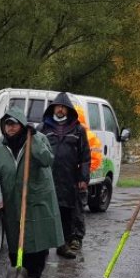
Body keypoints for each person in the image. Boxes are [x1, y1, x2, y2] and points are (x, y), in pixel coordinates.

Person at [0, 107, 62, 278]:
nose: (10, 128)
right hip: (13, 197)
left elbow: (47, 160)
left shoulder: (38, 139)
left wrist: (35, 139)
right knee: (15, 235)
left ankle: (35, 273)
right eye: (7, 124)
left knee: (37, 236)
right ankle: (18, 268)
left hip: (36, 196)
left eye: (14, 124)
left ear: (22, 125)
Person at [39, 94, 90, 259]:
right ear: (53, 108)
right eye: (57, 106)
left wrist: (83, 178)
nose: (60, 109)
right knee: (46, 211)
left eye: (63, 107)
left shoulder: (78, 129)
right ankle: (43, 246)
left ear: (68, 110)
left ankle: (64, 245)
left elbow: (85, 157)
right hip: (47, 177)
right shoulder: (43, 129)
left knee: (67, 212)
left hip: (69, 178)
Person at [72, 106, 102, 251]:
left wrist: (82, 173)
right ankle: (71, 238)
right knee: (74, 210)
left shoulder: (85, 135)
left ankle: (76, 238)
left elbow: (93, 159)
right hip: (74, 178)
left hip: (79, 179)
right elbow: (96, 160)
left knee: (77, 209)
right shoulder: (90, 136)